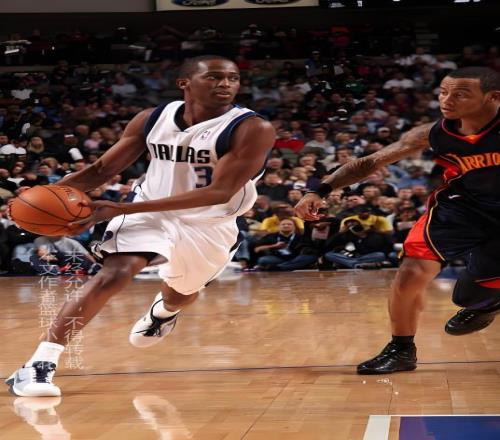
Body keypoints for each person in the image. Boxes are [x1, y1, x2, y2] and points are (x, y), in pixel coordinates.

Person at [5, 55, 275, 396]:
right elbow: (101, 170)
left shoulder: (253, 128)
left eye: (232, 78)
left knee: (181, 295)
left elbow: (218, 192)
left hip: (210, 220)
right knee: (115, 273)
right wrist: (46, 197)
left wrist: (119, 207)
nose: (225, 84)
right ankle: (38, 365)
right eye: (214, 77)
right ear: (184, 83)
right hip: (149, 210)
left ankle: (163, 313)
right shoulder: (152, 118)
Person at [295, 67, 500, 374]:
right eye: (443, 92)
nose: (447, 100)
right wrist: (319, 190)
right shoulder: (434, 133)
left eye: (460, 94)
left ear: (493, 97)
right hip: (460, 210)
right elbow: (369, 162)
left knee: (469, 296)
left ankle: (488, 303)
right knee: (410, 272)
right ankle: (401, 350)